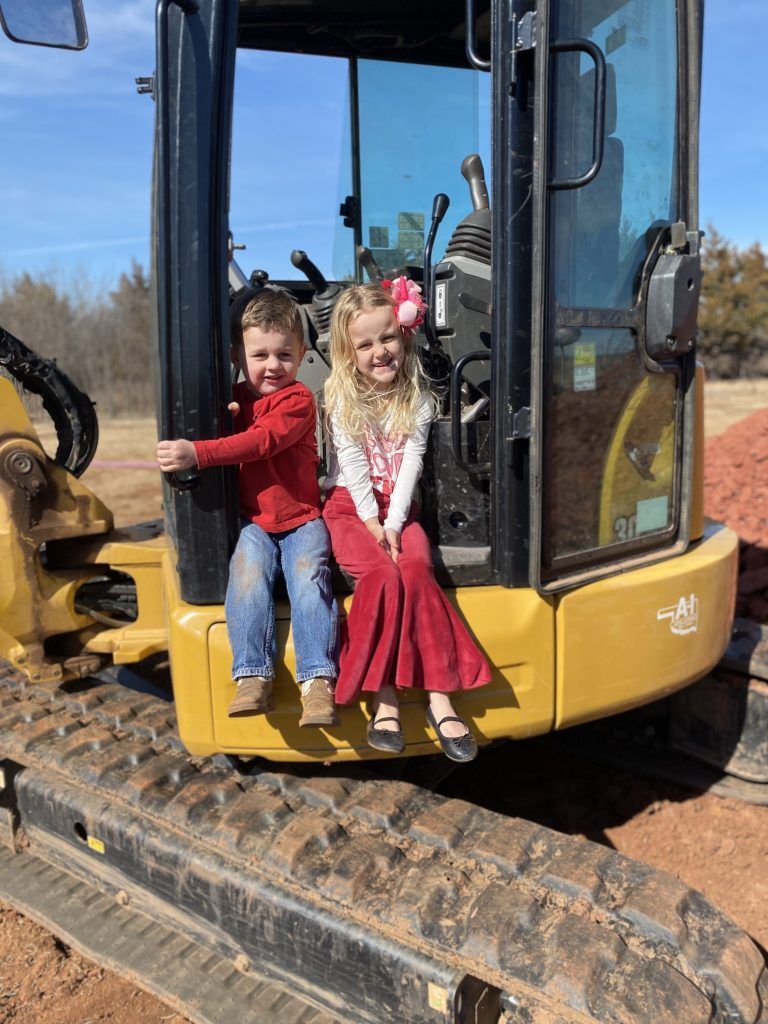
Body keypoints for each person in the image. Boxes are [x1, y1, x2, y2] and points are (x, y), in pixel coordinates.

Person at [322, 279, 491, 762]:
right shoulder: (341, 398)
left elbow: (412, 465)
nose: (380, 351)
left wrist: (394, 524)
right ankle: (384, 697)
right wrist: (374, 525)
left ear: (405, 335)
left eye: (388, 338)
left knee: (416, 570)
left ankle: (440, 695)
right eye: (366, 344)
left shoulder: (416, 398)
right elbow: (352, 467)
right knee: (380, 576)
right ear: (348, 351)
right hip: (350, 509)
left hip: (399, 509)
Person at [156, 288, 338, 727]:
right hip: (255, 522)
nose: (273, 365)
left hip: (300, 519)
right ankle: (253, 674)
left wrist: (197, 452)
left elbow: (260, 443)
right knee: (246, 573)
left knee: (307, 577)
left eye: (284, 355)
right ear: (238, 355)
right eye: (261, 355)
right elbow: (235, 427)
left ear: (301, 355)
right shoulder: (237, 400)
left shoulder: (297, 401)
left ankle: (317, 682)